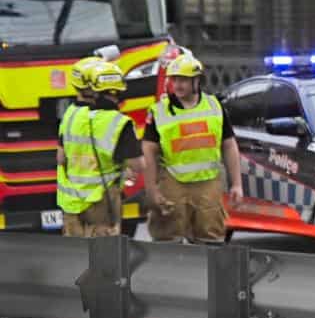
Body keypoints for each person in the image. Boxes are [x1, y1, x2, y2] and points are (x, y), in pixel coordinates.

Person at [142, 53, 243, 243]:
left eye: (184, 80)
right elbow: (148, 152)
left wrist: (236, 184)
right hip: (173, 183)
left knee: (211, 237)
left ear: (197, 81)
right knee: (167, 237)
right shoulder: (159, 111)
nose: (178, 85)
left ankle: (206, 272)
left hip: (208, 184)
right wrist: (152, 190)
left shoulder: (215, 107)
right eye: (174, 80)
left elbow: (229, 146)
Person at [57, 61, 145, 237]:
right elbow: (139, 165)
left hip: (71, 202)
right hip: (102, 202)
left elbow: (61, 158)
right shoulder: (119, 123)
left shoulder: (71, 115)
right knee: (104, 257)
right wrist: (123, 171)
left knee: (76, 257)